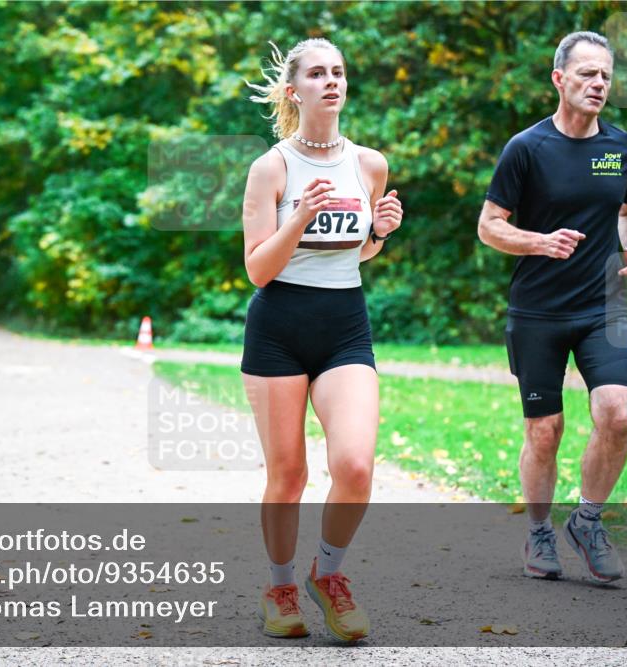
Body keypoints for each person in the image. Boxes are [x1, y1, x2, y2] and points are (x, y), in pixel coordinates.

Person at [241, 38, 403, 641]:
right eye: (316, 73)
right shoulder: (272, 168)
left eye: (337, 72)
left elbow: (355, 253)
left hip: (344, 327)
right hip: (278, 328)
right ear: (294, 90)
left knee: (356, 465)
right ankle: (280, 587)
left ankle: (327, 577)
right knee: (289, 475)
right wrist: (298, 218)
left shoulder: (369, 164)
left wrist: (378, 235)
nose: (330, 81)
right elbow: (258, 268)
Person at [477, 31, 627, 584]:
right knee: (544, 430)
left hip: (603, 308)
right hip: (538, 312)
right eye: (587, 74)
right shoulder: (526, 148)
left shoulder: (623, 148)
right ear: (559, 79)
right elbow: (490, 227)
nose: (598, 84)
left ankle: (589, 521)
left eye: (605, 76)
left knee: (617, 413)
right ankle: (540, 532)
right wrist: (537, 241)